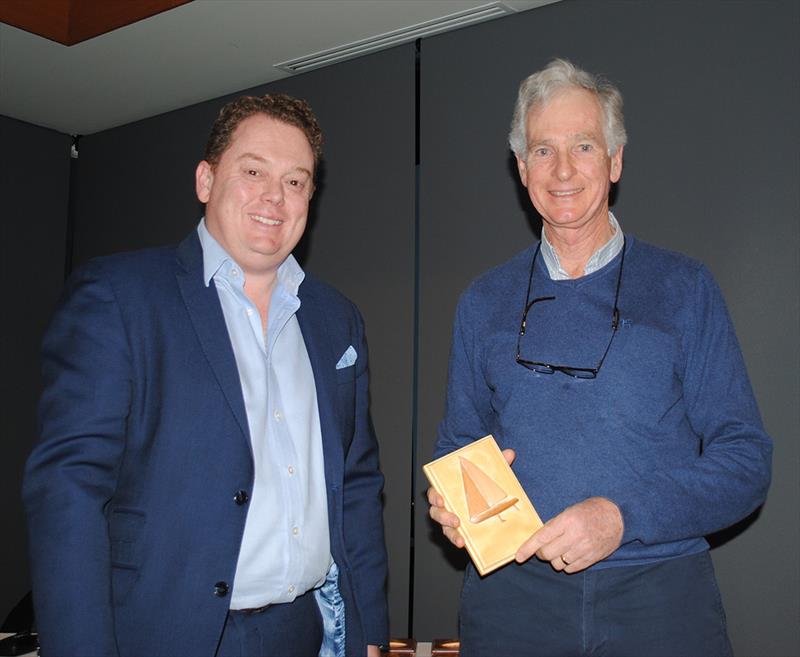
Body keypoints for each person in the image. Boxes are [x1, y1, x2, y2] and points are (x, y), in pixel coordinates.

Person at [427, 59, 772, 657]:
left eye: (583, 146)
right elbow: (458, 445)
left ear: (614, 161)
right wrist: (453, 503)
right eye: (542, 150)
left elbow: (746, 461)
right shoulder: (482, 302)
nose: (562, 170)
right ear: (521, 168)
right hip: (511, 600)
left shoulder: (684, 288)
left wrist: (621, 517)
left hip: (661, 598)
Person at [23, 93, 388, 657]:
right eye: (252, 171)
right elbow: (67, 494)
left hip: (304, 633)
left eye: (296, 181)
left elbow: (357, 488)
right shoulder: (119, 298)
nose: (275, 196)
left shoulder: (336, 318)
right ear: (204, 180)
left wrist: (368, 635)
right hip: (169, 636)